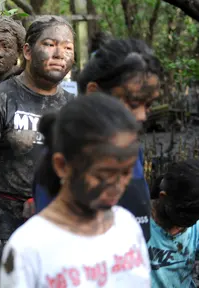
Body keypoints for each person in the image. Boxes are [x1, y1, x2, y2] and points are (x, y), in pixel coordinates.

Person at [0, 15, 75, 287]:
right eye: (49, 44)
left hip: (56, 226)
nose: (59, 54)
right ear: (27, 51)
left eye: (68, 48)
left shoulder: (74, 107)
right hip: (2, 229)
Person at [0, 93, 150, 287]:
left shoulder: (126, 226)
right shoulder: (28, 248)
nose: (118, 185)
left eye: (126, 172)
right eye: (104, 175)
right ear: (62, 166)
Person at [34, 39, 163, 243]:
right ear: (94, 92)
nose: (142, 116)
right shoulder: (66, 158)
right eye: (133, 103)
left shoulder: (128, 146)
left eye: (148, 105)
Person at [148, 160, 199, 288]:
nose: (178, 231)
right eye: (177, 223)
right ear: (163, 197)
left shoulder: (196, 227)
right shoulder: (139, 225)